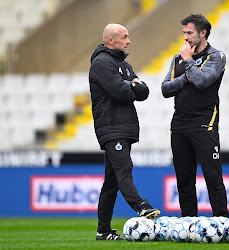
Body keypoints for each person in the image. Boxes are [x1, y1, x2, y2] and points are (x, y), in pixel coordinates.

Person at [89, 23, 160, 241]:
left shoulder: (124, 65)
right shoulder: (101, 63)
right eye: (124, 37)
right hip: (111, 127)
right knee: (124, 168)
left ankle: (103, 231)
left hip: (123, 127)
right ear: (111, 40)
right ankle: (141, 206)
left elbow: (144, 91)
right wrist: (133, 85)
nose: (129, 41)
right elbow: (121, 92)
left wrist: (132, 85)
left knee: (111, 182)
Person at [161, 14, 229, 218]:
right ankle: (188, 222)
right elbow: (165, 89)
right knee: (184, 179)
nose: (185, 38)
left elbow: (202, 81)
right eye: (184, 33)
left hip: (204, 124)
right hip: (179, 125)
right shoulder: (177, 58)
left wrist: (189, 62)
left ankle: (222, 221)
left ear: (203, 33)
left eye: (189, 33)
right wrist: (187, 76)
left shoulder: (216, 56)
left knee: (212, 176)